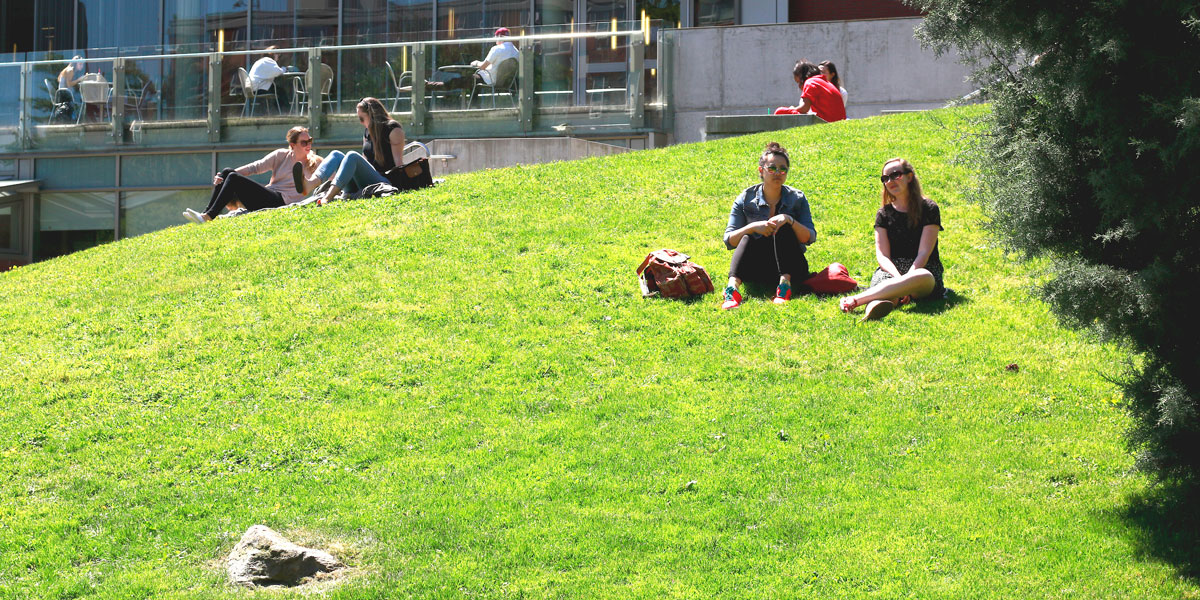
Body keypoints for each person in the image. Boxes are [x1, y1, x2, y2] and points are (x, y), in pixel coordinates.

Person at [839, 158, 946, 321]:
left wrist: (906, 281)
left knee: (922, 276)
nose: (890, 181)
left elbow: (924, 252)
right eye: (885, 178)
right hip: (891, 270)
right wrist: (899, 280)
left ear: (909, 177)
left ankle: (855, 300)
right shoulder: (883, 214)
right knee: (890, 294)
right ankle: (874, 309)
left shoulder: (929, 208)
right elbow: (882, 256)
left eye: (895, 175)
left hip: (922, 269)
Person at [720, 142, 817, 310]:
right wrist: (753, 227)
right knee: (747, 236)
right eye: (772, 168)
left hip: (793, 267)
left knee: (784, 227)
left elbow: (810, 237)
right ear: (761, 171)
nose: (778, 173)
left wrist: (788, 219)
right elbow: (729, 240)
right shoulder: (745, 198)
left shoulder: (798, 198)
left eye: (783, 169)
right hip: (757, 267)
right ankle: (732, 289)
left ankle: (784, 287)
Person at [182, 126, 322, 223]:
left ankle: (208, 217)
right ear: (292, 145)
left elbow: (331, 175)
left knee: (233, 177)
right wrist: (223, 178)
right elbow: (255, 167)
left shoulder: (315, 162)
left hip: (282, 201)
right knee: (228, 172)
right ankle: (205, 213)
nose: (308, 145)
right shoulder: (281, 155)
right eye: (304, 142)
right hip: (269, 194)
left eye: (310, 141)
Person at [301, 97, 406, 204]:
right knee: (336, 154)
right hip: (362, 183)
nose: (361, 123)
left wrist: (400, 187)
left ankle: (328, 197)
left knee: (352, 155)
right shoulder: (367, 131)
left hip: (383, 182)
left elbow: (398, 165)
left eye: (361, 119)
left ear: (372, 115)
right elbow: (364, 161)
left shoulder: (393, 129)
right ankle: (311, 183)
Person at [773, 60, 846, 123]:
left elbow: (804, 109)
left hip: (828, 121)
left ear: (802, 76)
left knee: (779, 111)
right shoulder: (823, 81)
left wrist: (792, 109)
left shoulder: (810, 82)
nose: (799, 86)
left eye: (799, 82)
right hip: (836, 121)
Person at [467, 27, 519, 103]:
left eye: (496, 37)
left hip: (492, 80)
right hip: (508, 83)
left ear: (500, 37)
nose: (495, 40)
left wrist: (476, 62)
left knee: (471, 78)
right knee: (477, 76)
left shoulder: (497, 49)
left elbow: (483, 66)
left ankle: (472, 105)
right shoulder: (516, 51)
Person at [246, 45, 289, 110]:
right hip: (258, 88)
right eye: (278, 55)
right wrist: (284, 68)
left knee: (278, 90)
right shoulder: (268, 61)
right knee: (281, 92)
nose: (278, 58)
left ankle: (279, 110)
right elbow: (278, 72)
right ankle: (284, 111)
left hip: (253, 87)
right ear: (274, 54)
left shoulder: (261, 61)